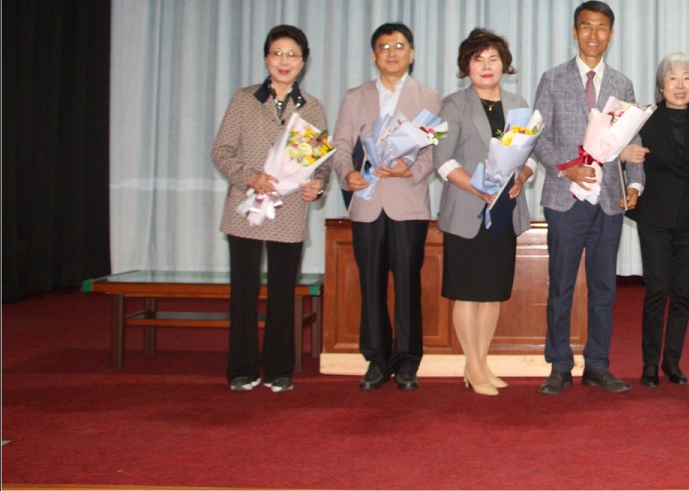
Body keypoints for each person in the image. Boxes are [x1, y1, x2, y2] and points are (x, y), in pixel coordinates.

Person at [532, 0, 647, 395]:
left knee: (604, 288)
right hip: (565, 197)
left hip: (609, 200)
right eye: (586, 26)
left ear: (611, 35)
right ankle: (559, 365)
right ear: (574, 31)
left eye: (601, 28)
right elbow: (537, 136)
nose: (593, 34)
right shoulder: (552, 79)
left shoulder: (622, 84)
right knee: (561, 286)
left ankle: (598, 364)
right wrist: (566, 168)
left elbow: (633, 139)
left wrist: (635, 185)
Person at [211, 24, 329, 393]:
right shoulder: (244, 99)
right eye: (277, 53)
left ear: (303, 62)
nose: (284, 61)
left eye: (293, 54)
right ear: (266, 58)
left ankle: (280, 369)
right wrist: (251, 177)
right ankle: (242, 369)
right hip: (246, 207)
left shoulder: (312, 107)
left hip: (289, 210)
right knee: (243, 292)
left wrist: (318, 185)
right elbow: (221, 151)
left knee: (283, 292)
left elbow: (321, 163)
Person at [331, 23, 441, 391]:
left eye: (399, 46)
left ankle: (408, 361)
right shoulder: (355, 97)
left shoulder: (429, 96)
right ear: (373, 55)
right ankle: (376, 360)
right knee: (371, 283)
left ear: (412, 53)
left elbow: (434, 150)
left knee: (408, 284)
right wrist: (347, 173)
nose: (392, 53)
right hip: (366, 203)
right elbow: (340, 145)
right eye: (384, 47)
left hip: (408, 203)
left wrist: (411, 170)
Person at [433, 28, 537, 396]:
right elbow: (442, 160)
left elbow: (531, 156)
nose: (487, 66)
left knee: (492, 293)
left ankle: (480, 362)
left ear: (505, 64)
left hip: (503, 212)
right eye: (478, 59)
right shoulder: (453, 104)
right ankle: (473, 366)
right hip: (467, 209)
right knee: (467, 292)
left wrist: (521, 177)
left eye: (494, 59)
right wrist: (476, 187)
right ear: (467, 65)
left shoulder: (518, 104)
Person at [627, 53, 689, 387]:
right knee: (657, 290)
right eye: (672, 78)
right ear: (661, 85)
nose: (680, 85)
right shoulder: (644, 118)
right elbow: (625, 157)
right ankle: (649, 364)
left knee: (682, 292)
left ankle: (672, 361)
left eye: (687, 78)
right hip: (654, 214)